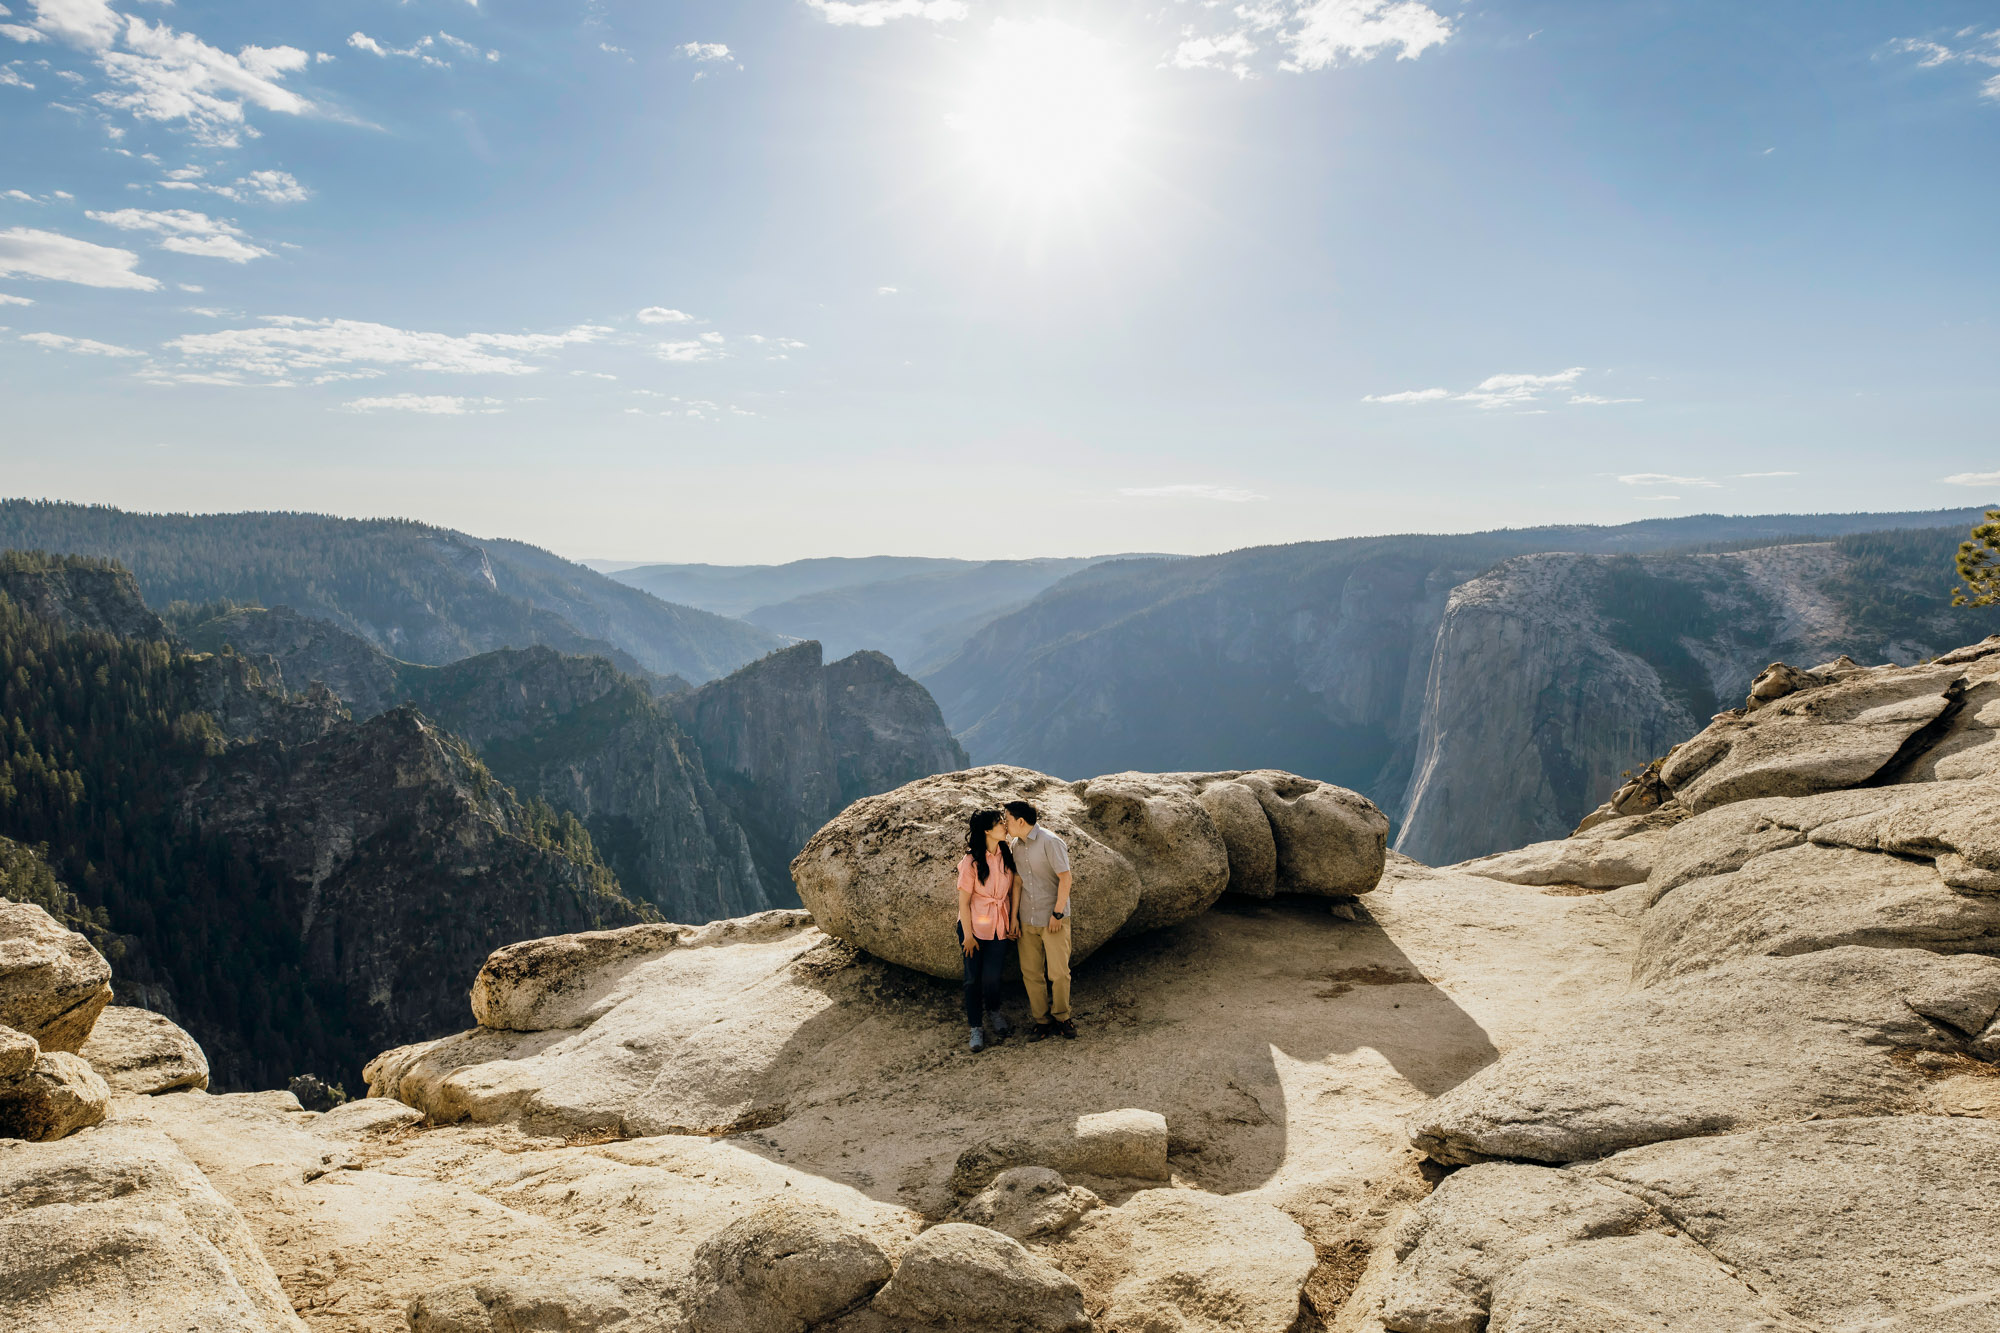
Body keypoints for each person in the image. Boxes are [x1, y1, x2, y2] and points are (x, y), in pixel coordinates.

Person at [1003, 800, 1075, 1040]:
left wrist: (1057, 913)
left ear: (1021, 821)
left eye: (1008, 819)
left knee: (1059, 973)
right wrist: (1013, 917)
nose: (1005, 823)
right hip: (1027, 919)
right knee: (1031, 973)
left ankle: (1063, 1018)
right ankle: (1042, 1022)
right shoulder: (1015, 845)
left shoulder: (1050, 842)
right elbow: (1018, 882)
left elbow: (1065, 879)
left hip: (1052, 918)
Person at [956, 808, 1019, 1054]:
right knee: (972, 979)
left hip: (999, 926)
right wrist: (968, 936)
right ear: (987, 831)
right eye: (1000, 823)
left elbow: (1012, 892)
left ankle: (994, 1012)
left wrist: (1013, 921)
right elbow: (963, 902)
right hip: (973, 928)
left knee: (992, 976)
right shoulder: (971, 861)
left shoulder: (1007, 854)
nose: (1005, 826)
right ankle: (975, 1027)